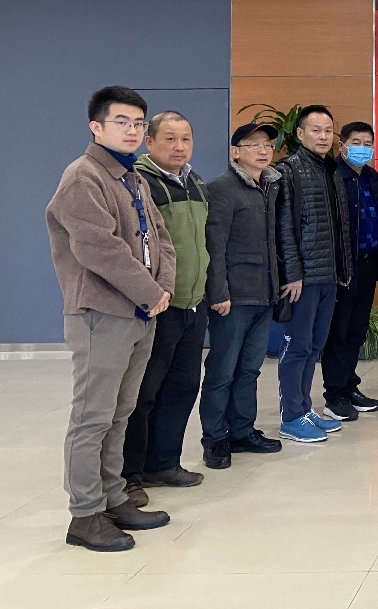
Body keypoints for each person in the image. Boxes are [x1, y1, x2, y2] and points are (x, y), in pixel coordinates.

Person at [46, 86, 174, 552]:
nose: (132, 130)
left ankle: (113, 497)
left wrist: (163, 289)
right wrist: (150, 293)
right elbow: (99, 249)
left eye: (138, 123)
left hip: (140, 312)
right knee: (92, 417)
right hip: (101, 314)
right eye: (122, 122)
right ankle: (85, 515)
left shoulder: (133, 177)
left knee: (120, 412)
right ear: (96, 126)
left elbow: (161, 239)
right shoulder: (82, 177)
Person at [122, 112, 209, 497]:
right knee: (143, 393)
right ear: (150, 141)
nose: (179, 147)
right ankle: (129, 475)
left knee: (183, 386)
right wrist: (153, 293)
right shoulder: (140, 183)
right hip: (159, 305)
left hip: (194, 303)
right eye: (170, 138)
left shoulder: (195, 182)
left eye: (185, 139)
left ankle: (164, 464)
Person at [199, 123, 285, 470]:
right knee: (222, 370)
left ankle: (242, 431)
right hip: (232, 298)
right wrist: (218, 292)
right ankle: (215, 438)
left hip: (263, 294)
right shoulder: (221, 188)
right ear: (235, 152)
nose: (263, 151)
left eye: (267, 145)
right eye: (254, 145)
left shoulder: (271, 187)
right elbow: (214, 246)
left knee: (249, 369)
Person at [274, 105, 353, 442]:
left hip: (327, 276)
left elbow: (339, 226)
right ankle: (291, 416)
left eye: (328, 131)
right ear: (300, 134)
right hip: (302, 280)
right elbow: (284, 228)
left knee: (314, 346)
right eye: (316, 130)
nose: (323, 137)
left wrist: (342, 269)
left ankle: (305, 409)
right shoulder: (289, 171)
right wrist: (292, 274)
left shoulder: (330, 170)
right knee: (297, 347)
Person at [321, 121, 378, 421]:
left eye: (368, 144)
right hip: (343, 268)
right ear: (342, 146)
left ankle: (350, 386)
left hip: (368, 263)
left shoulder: (371, 176)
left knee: (357, 330)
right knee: (339, 331)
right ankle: (334, 394)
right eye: (356, 143)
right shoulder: (333, 176)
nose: (363, 149)